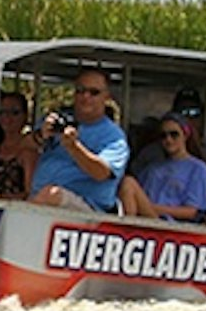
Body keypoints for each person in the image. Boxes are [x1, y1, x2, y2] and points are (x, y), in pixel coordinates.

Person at [28, 67, 131, 211]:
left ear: (107, 97)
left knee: (51, 194)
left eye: (94, 92)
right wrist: (40, 135)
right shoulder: (59, 119)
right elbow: (21, 146)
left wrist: (74, 147)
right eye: (81, 90)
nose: (86, 96)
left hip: (87, 210)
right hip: (39, 199)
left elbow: (101, 173)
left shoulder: (113, 136)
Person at [118, 114, 206, 222]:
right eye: (163, 136)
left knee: (129, 182)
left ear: (185, 135)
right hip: (147, 221)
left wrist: (154, 208)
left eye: (174, 134)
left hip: (175, 227)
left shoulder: (198, 168)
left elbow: (193, 211)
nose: (168, 140)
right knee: (127, 183)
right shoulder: (152, 168)